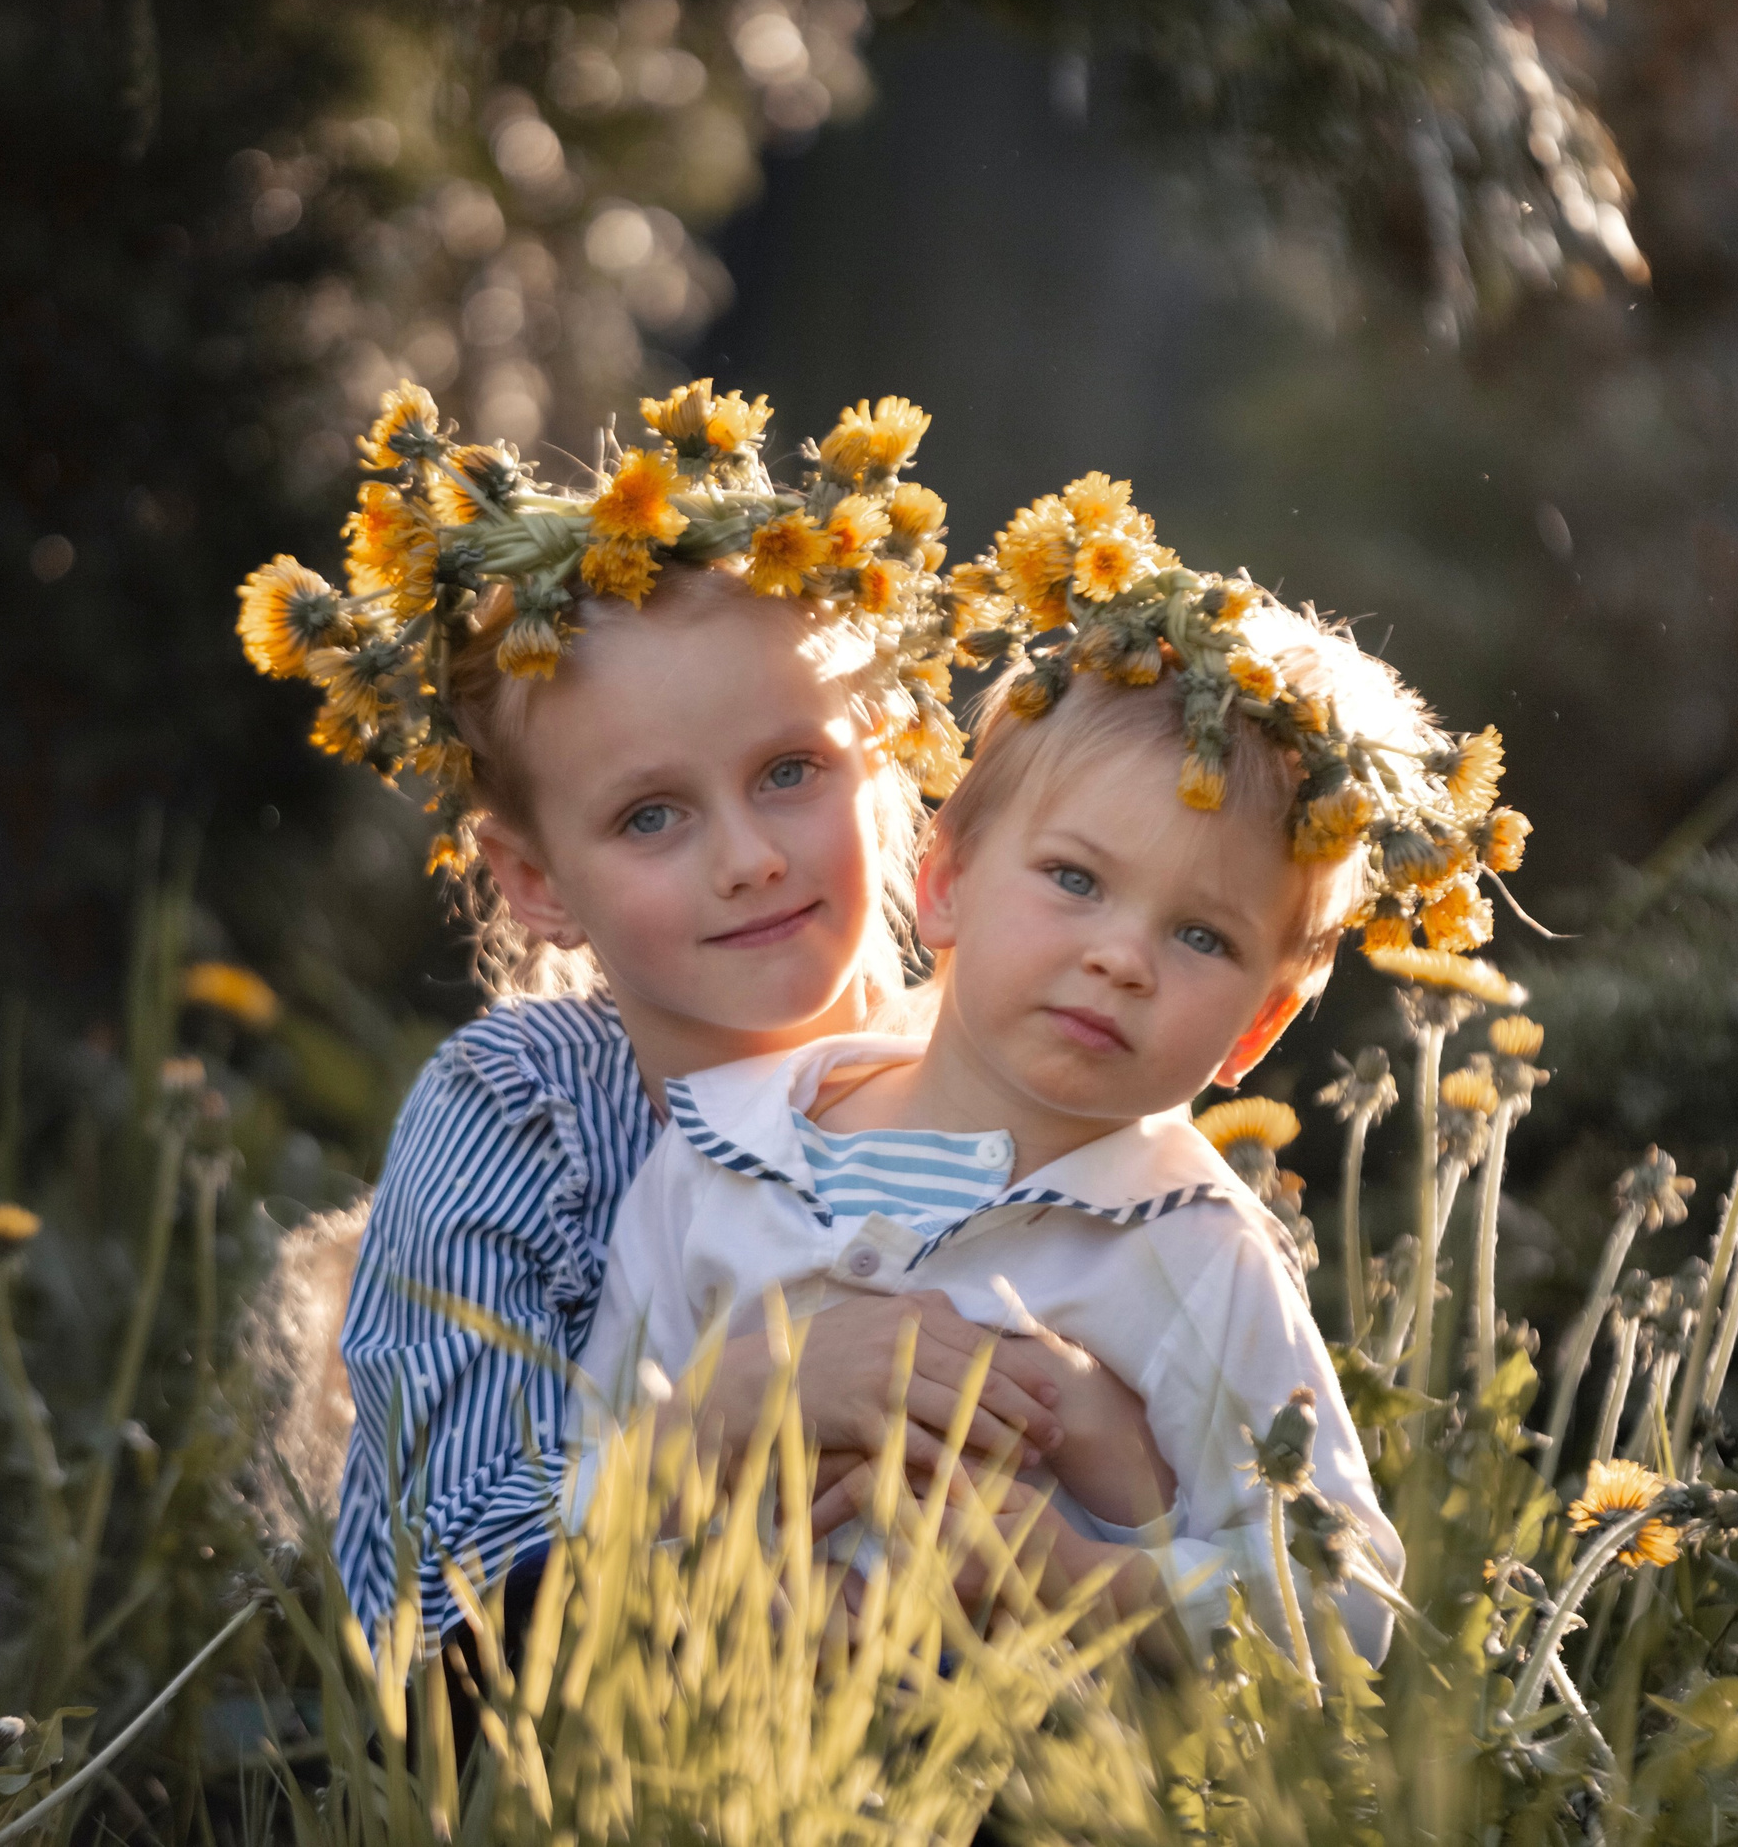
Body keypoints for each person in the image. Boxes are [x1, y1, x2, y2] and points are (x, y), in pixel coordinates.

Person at [238, 379, 1137, 1648]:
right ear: (537, 882)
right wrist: (736, 1410)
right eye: (650, 814)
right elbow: (412, 1604)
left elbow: (1235, 1516)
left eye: (788, 771)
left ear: (879, 758)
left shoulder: (1036, 1059)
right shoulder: (525, 1112)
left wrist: (1089, 1428)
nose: (749, 857)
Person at [579, 473, 1535, 1664]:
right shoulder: (723, 1153)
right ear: (946, 882)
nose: (1120, 957)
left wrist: (1090, 1577)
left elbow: (1338, 1600)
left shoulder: (1192, 1254)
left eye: (1202, 937)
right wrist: (708, 1531)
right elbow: (580, 1499)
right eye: (1075, 879)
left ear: (1260, 1026)